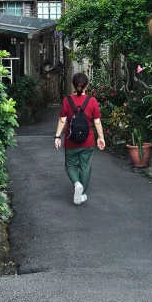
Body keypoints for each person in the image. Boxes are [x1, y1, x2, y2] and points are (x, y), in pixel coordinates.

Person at [54, 72, 105, 205]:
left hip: (71, 141)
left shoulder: (67, 100)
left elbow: (62, 119)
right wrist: (101, 137)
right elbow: (97, 122)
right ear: (87, 86)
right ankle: (82, 194)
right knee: (85, 167)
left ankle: (77, 184)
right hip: (87, 141)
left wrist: (57, 136)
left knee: (70, 165)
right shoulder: (92, 101)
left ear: (72, 85)